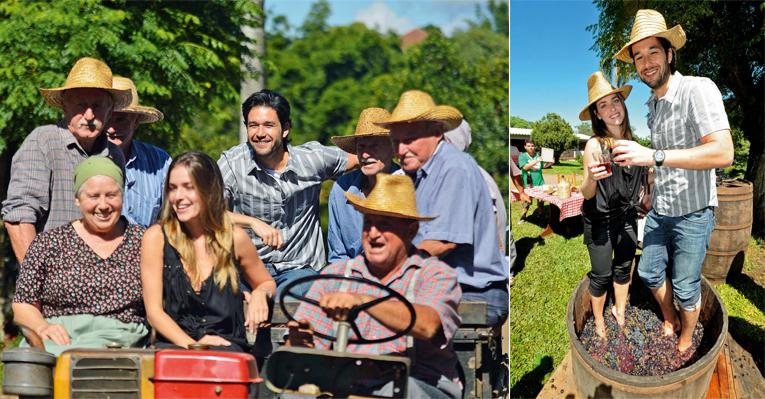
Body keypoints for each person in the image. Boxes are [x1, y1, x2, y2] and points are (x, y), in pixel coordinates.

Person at [611, 9, 733, 352]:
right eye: (638, 56)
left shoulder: (697, 89)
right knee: (649, 273)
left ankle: (684, 340)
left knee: (685, 286)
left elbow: (723, 152)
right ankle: (670, 317)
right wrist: (650, 187)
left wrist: (653, 156)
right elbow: (659, 159)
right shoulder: (652, 106)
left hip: (694, 212)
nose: (646, 62)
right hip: (660, 210)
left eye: (653, 51)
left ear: (669, 53)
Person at [287, 173, 462, 399]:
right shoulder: (336, 275)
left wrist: (363, 300)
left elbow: (428, 325)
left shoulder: (434, 274)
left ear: (411, 230)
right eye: (368, 223)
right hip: (347, 384)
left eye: (385, 225)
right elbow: (302, 348)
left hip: (419, 385)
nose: (373, 234)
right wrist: (299, 342)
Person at [377, 90, 508, 327]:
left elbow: (442, 243)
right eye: (395, 142)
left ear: (437, 133)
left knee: (386, 321)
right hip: (443, 288)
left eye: (409, 140)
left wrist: (390, 272)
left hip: (474, 293)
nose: (400, 150)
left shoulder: (453, 167)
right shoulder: (419, 174)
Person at [217, 89, 358, 296]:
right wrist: (252, 222)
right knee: (222, 297)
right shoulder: (231, 164)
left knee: (294, 299)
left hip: (299, 269)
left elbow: (363, 158)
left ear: (285, 129)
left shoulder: (311, 160)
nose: (260, 133)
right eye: (253, 125)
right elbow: (207, 212)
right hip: (248, 268)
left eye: (268, 125)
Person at [141, 151, 276, 352]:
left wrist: (260, 294)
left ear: (209, 191)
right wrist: (194, 345)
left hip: (226, 350)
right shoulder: (157, 238)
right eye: (172, 188)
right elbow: (154, 312)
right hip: (175, 347)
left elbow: (266, 282)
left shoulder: (235, 238)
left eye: (189, 188)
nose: (178, 197)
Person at [12, 156, 147, 355]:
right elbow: (23, 304)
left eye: (111, 195)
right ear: (77, 199)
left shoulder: (144, 241)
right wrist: (42, 327)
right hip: (58, 338)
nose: (103, 205)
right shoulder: (49, 243)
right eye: (93, 196)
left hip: (121, 338)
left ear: (123, 195)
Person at [2, 57, 129, 264]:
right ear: (64, 105)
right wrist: (35, 281)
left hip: (102, 284)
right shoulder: (44, 142)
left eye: (97, 106)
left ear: (110, 110)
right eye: (81, 105)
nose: (89, 115)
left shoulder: (115, 155)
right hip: (54, 283)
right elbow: (18, 216)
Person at [579, 71, 645, 338]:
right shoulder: (595, 145)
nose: (611, 109)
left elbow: (640, 186)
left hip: (627, 217)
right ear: (597, 114)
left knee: (623, 267)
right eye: (603, 105)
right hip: (600, 221)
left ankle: (619, 310)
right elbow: (585, 193)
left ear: (623, 104)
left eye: (615, 101)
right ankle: (598, 320)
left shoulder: (633, 145)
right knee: (602, 274)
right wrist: (592, 179)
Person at [444, 120, 529, 286]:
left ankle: (508, 272)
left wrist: (521, 191)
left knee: (507, 238)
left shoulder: (467, 177)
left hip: (477, 281)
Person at [327, 107, 399, 263]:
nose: (365, 154)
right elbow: (338, 255)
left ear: (393, 148)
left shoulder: (410, 184)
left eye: (374, 146)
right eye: (361, 147)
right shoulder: (341, 189)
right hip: (353, 278)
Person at [106, 76, 171, 227]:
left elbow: (173, 217)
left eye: (121, 119)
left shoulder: (160, 162)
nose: (111, 129)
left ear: (135, 122)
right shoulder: (83, 159)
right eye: (108, 119)